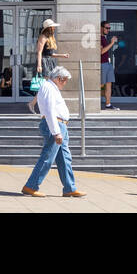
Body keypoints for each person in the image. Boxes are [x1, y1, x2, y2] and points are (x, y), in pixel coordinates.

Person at [21, 66, 84, 197]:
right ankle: (31, 186)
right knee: (47, 157)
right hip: (55, 125)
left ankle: (69, 188)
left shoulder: (51, 87)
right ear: (59, 78)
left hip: (60, 125)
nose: (65, 83)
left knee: (64, 159)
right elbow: (50, 111)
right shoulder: (48, 87)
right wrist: (56, 132)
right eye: (65, 80)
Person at [100, 21, 120, 110]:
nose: (108, 30)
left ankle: (108, 104)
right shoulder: (99, 38)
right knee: (101, 85)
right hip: (102, 64)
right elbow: (101, 51)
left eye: (109, 28)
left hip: (107, 64)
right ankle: (93, 103)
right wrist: (112, 43)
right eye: (107, 28)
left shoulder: (104, 37)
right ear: (101, 28)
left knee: (109, 84)